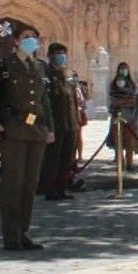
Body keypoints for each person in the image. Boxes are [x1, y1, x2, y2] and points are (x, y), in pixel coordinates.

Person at [0, 25, 54, 252]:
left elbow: (45, 102)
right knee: (13, 184)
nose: (31, 41)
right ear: (16, 41)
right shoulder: (4, 67)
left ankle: (24, 230)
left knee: (29, 184)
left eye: (34, 38)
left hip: (36, 130)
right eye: (26, 38)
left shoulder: (40, 67)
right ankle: (10, 234)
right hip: (14, 128)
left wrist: (49, 128)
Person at [39, 43, 80, 201]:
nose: (61, 55)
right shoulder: (46, 73)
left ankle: (62, 188)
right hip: (55, 122)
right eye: (58, 53)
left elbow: (73, 98)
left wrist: (77, 120)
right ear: (50, 55)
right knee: (53, 158)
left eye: (63, 52)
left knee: (67, 157)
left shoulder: (68, 73)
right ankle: (50, 189)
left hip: (70, 122)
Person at [106, 61, 138, 169]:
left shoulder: (132, 85)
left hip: (130, 117)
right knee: (118, 141)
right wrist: (126, 101)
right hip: (117, 116)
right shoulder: (113, 85)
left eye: (125, 68)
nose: (123, 70)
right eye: (121, 68)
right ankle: (120, 162)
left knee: (130, 142)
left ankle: (130, 163)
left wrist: (123, 102)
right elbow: (114, 101)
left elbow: (134, 100)